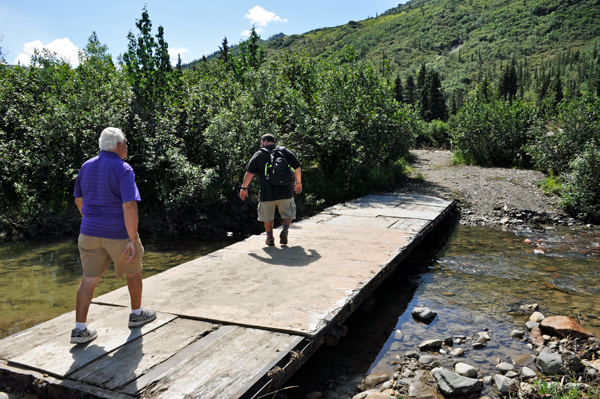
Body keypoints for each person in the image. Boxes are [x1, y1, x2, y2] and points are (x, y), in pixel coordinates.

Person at [71, 127, 156, 344]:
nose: (127, 145)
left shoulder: (86, 166)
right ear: (118, 146)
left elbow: (78, 200)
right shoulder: (123, 168)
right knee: (134, 272)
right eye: (125, 142)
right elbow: (128, 205)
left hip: (89, 232)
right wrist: (132, 238)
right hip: (118, 233)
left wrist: (91, 219)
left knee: (88, 280)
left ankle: (80, 330)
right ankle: (136, 314)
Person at [240, 134, 302, 246]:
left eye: (261, 142)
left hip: (266, 193)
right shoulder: (285, 152)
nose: (260, 145)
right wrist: (298, 183)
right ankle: (285, 230)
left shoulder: (260, 154)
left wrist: (244, 188)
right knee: (288, 214)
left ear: (265, 142)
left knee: (267, 216)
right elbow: (297, 167)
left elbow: (249, 173)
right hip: (285, 191)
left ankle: (269, 238)